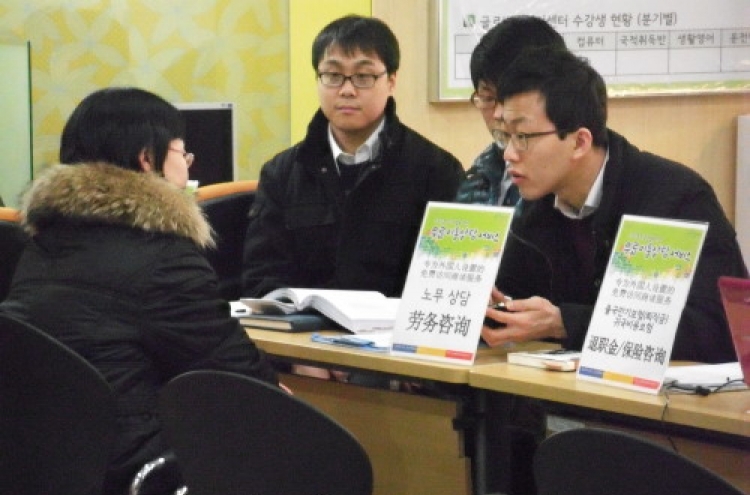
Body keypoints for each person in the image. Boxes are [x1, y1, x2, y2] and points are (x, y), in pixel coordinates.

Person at [0, 87, 280, 495]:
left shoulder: (40, 247)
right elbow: (236, 374)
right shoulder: (166, 257)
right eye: (182, 154)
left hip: (46, 461)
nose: (186, 170)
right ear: (147, 159)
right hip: (139, 467)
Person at [482, 47, 748, 364]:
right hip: (563, 400)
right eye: (505, 136)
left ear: (580, 141)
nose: (509, 154)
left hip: (661, 405)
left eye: (523, 137)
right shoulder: (533, 211)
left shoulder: (674, 198)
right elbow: (519, 302)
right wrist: (493, 309)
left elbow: (719, 331)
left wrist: (566, 323)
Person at [241, 14, 464, 299]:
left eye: (363, 77)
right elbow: (260, 277)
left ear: (391, 81)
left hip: (394, 338)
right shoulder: (281, 173)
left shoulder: (437, 170)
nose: (346, 90)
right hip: (303, 336)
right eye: (333, 76)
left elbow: (447, 283)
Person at [455, 16, 566, 207]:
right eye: (488, 99)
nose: (498, 114)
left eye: (508, 98)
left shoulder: (570, 183)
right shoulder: (479, 174)